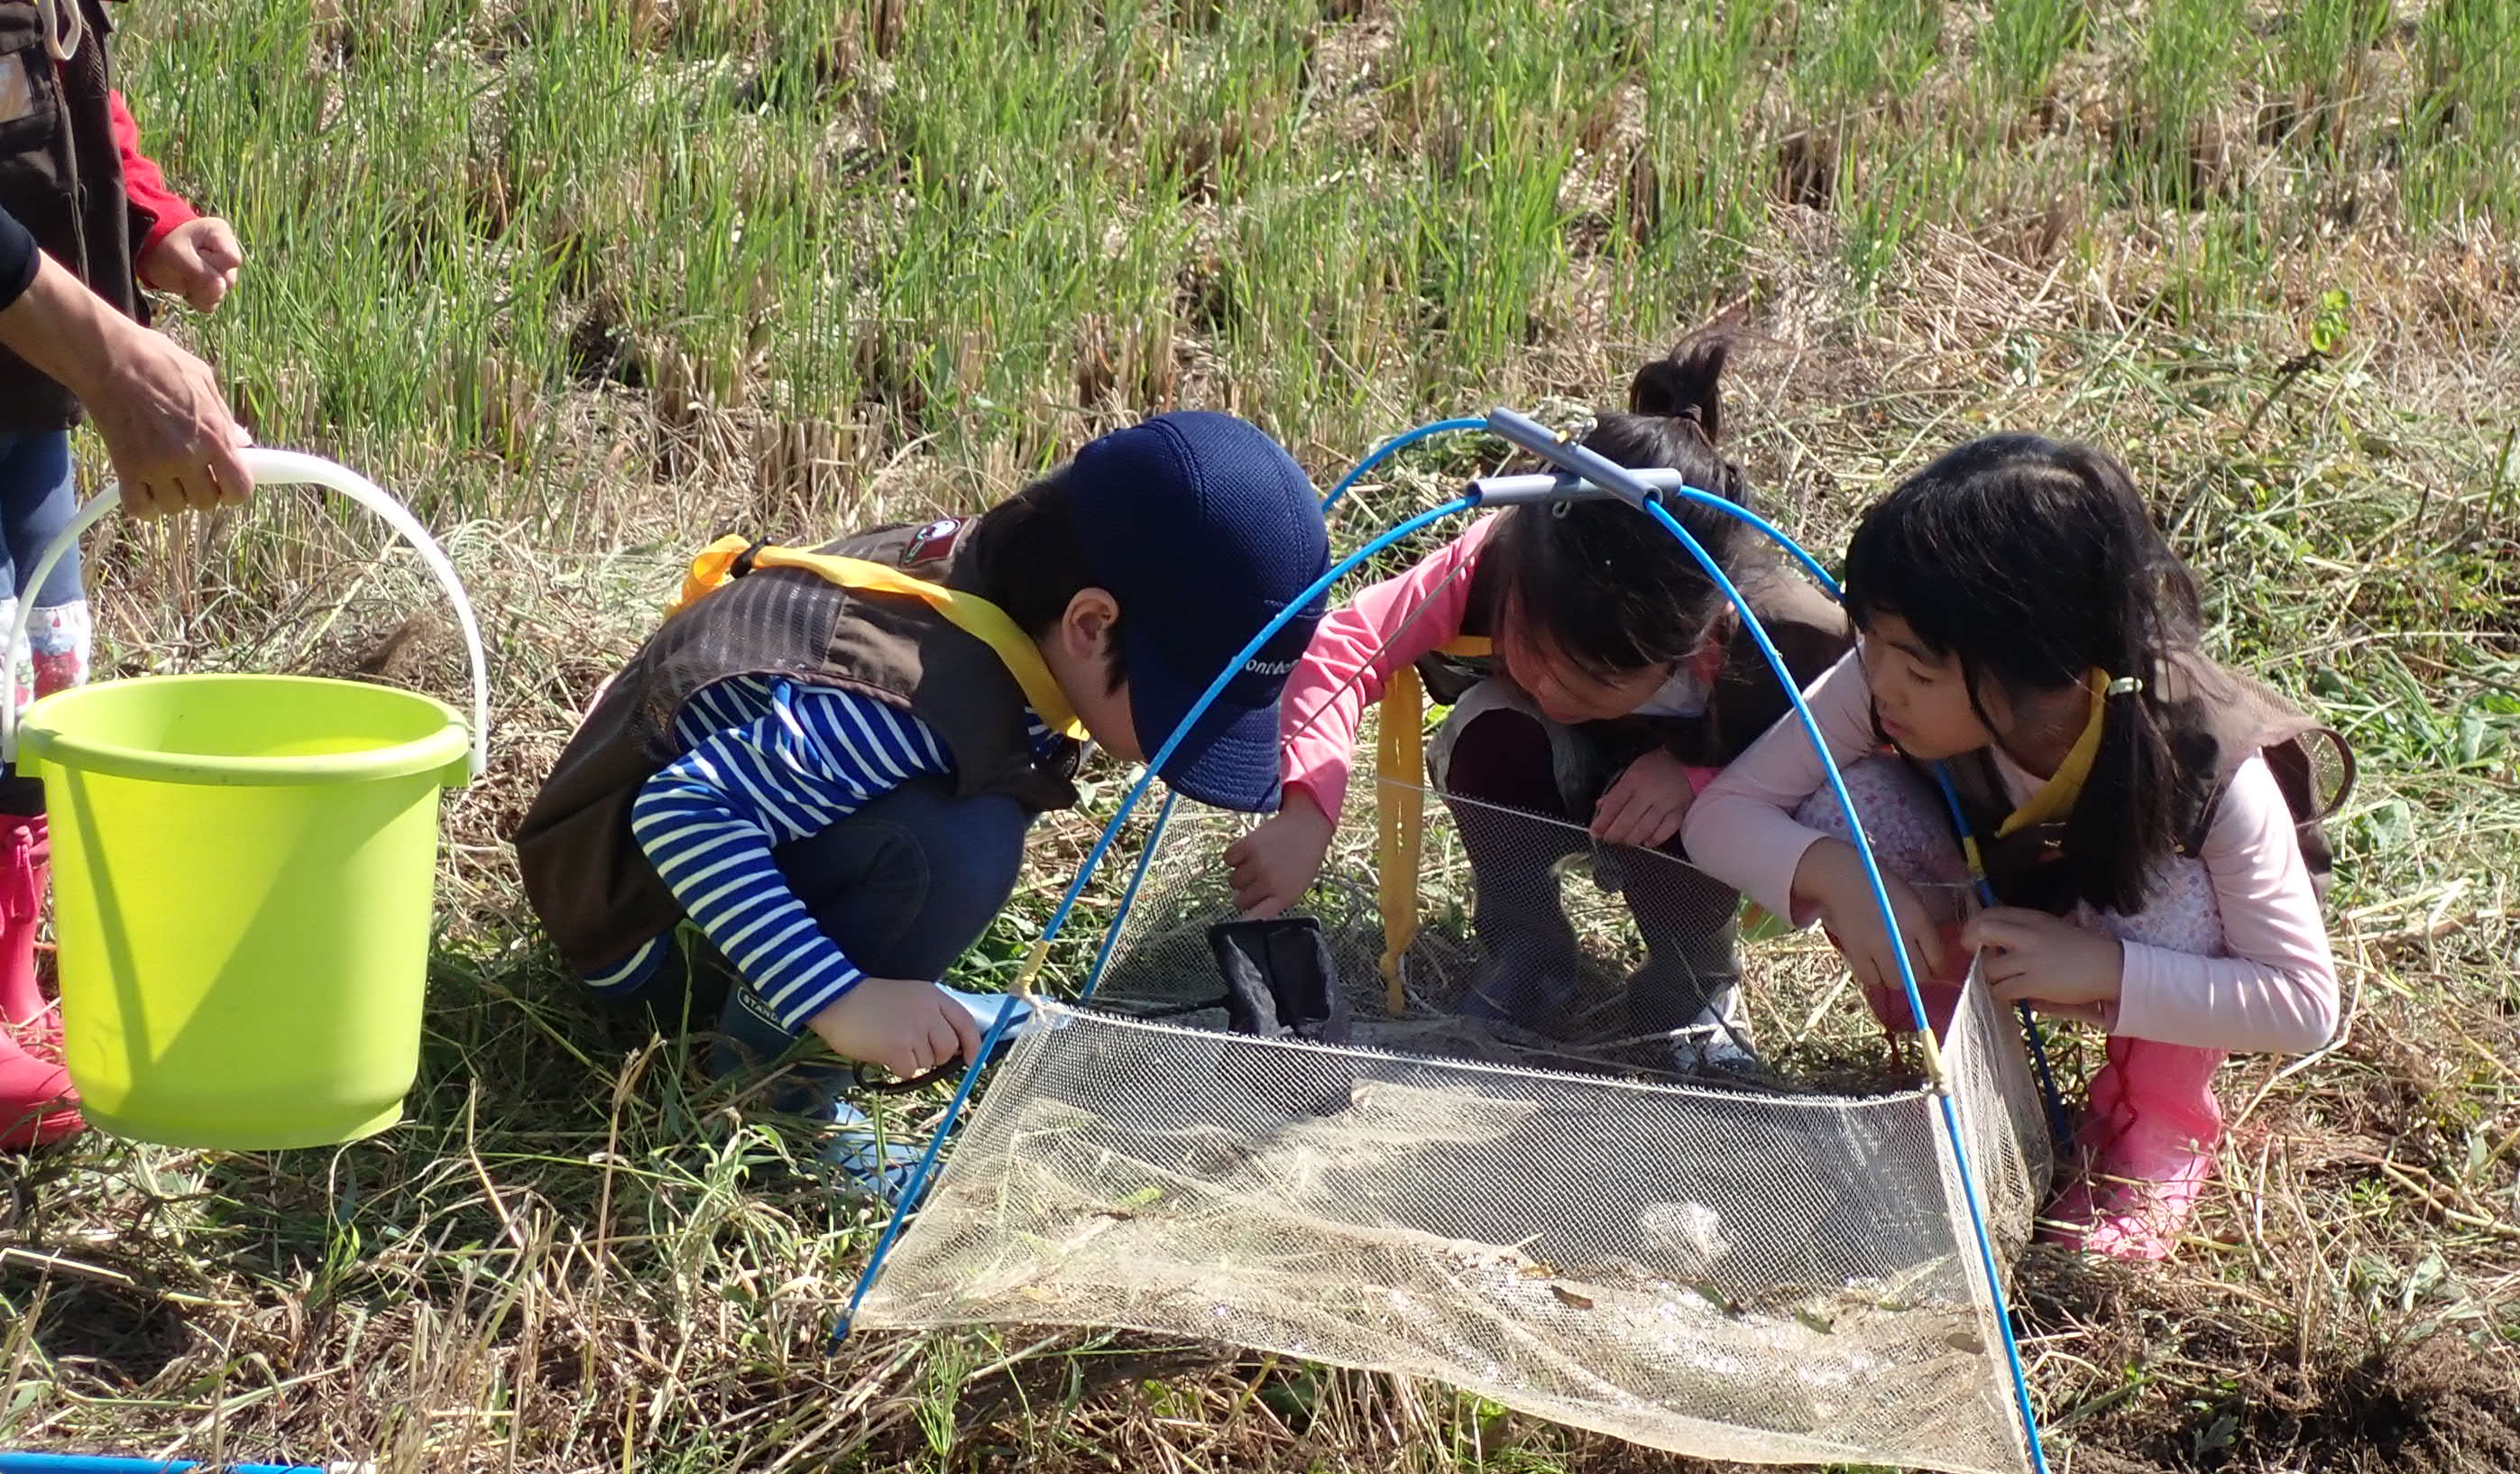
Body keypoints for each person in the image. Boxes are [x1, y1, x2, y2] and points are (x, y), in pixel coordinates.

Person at [514, 411, 1330, 1185]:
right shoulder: (909, 705)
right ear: (1088, 623)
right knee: (954, 850)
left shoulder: (991, 574)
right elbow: (683, 811)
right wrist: (840, 998)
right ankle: (776, 1118)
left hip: (713, 856)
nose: (1187, 735)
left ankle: (839, 994)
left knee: (955, 826)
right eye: (1186, 702)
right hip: (637, 923)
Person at [1683, 434, 2341, 1258]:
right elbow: (1723, 816)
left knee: (2182, 891)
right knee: (1844, 805)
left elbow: (2304, 1005)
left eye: (1917, 672)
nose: (1880, 684)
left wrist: (2104, 972)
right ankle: (1954, 1070)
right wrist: (1842, 876)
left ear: (2047, 673)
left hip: (2125, 930)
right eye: (1869, 644)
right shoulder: (1892, 671)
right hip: (1992, 907)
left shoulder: (2205, 762)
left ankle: (2147, 1141)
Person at [1223, 333, 1848, 1073]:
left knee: (1705, 821)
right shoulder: (1501, 557)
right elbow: (1344, 645)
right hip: (1550, 769)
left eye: (1586, 680)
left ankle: (1693, 988)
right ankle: (1530, 952)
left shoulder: (1789, 636)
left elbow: (1847, 743)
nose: (1548, 689)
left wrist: (1698, 782)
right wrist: (1306, 810)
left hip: (1696, 799)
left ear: (1698, 648)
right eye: (1530, 653)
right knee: (1487, 729)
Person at [0, 20, 255, 1147]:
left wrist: (149, 224)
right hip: (48, 350)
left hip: (23, 387)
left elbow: (58, 101)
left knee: (40, 679)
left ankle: (9, 977)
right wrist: (110, 355)